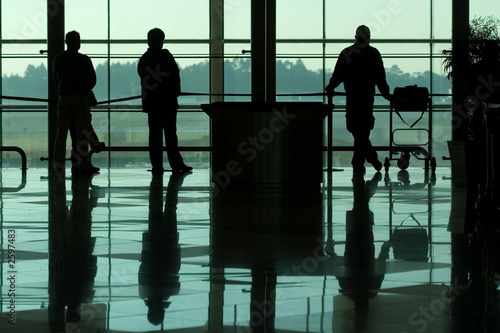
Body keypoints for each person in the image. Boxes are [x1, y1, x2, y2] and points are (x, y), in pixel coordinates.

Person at [326, 25, 392, 173]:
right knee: (362, 131)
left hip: (353, 98)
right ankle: (363, 160)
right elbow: (380, 78)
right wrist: (386, 95)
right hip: (367, 99)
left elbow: (338, 74)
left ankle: (361, 161)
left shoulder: (347, 53)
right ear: (369, 37)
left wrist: (331, 86)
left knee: (356, 130)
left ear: (356, 37)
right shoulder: (374, 54)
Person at [138, 28, 192, 174]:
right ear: (162, 41)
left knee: (154, 136)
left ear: (148, 40)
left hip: (152, 103)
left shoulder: (145, 59)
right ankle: (176, 163)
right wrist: (175, 91)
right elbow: (175, 74)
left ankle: (157, 165)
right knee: (170, 134)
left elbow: (143, 78)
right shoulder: (166, 56)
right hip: (167, 102)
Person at [53, 30, 99, 175]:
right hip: (80, 97)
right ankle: (83, 165)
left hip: (64, 97)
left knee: (61, 134)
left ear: (66, 42)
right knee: (82, 133)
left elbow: (56, 80)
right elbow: (92, 81)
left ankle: (58, 166)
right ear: (78, 43)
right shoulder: (84, 60)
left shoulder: (58, 59)